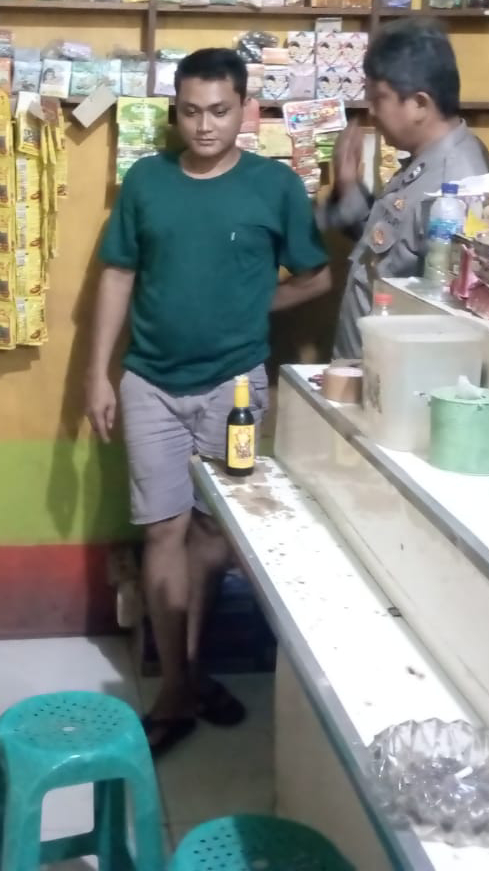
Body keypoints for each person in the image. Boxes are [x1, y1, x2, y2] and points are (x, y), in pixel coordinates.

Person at [84, 47, 332, 755]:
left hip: (235, 388)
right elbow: (117, 276)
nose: (204, 126)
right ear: (175, 112)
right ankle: (175, 685)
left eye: (219, 111)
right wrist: (95, 375)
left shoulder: (273, 186)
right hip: (150, 383)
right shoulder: (147, 180)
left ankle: (193, 672)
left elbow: (316, 277)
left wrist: (252, 308)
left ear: (245, 110)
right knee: (162, 530)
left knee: (216, 533)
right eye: (190, 112)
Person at [327, 20, 489, 359]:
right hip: (367, 367)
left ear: (419, 103)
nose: (371, 111)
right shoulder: (424, 163)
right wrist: (348, 188)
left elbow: (449, 318)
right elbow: (386, 248)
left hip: (394, 372)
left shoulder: (457, 187)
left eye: (379, 98)